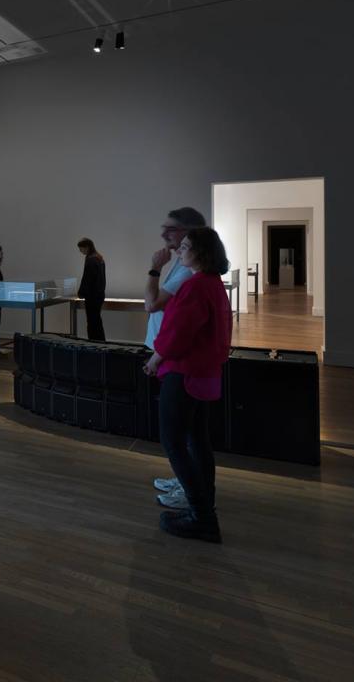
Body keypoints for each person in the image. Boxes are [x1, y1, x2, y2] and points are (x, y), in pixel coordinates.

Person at [143, 227, 232, 543]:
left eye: (185, 246)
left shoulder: (196, 287)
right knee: (197, 440)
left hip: (185, 373)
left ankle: (202, 517)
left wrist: (156, 358)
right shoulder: (211, 285)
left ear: (202, 252)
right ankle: (203, 506)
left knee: (174, 441)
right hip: (202, 372)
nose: (179, 250)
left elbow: (178, 332)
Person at [144, 207, 207, 509]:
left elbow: (153, 306)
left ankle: (196, 501)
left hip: (180, 363)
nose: (164, 235)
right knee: (188, 433)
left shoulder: (192, 276)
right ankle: (190, 485)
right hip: (176, 359)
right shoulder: (187, 269)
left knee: (179, 436)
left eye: (170, 229)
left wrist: (154, 269)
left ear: (190, 234)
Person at [76, 238, 106, 341]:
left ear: (87, 247)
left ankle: (93, 342)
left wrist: (81, 292)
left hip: (92, 296)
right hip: (99, 295)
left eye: (81, 249)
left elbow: (87, 279)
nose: (81, 251)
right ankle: (100, 341)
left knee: (92, 321)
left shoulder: (91, 260)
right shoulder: (99, 258)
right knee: (97, 320)